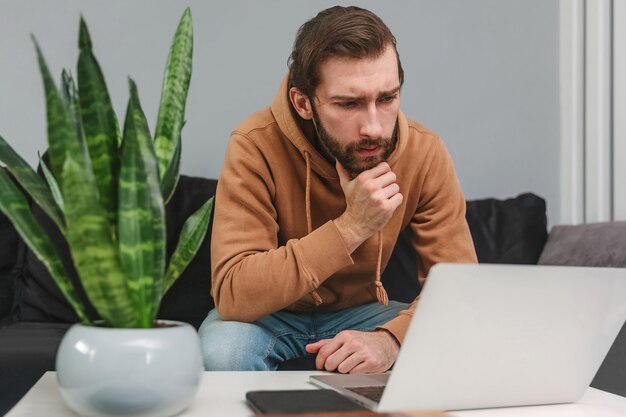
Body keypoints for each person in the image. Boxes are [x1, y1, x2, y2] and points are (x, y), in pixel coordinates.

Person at [199, 5, 477, 373]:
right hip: (269, 316)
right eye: (349, 104)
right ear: (304, 103)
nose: (374, 128)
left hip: (366, 315)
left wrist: (390, 339)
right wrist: (353, 226)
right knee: (222, 350)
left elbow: (460, 287)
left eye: (387, 98)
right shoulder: (254, 145)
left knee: (466, 338)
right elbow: (234, 295)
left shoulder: (424, 152)